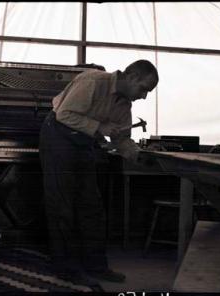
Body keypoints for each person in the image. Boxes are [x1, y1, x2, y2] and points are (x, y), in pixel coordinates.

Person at [39, 60, 159, 283]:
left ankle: (96, 267)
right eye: (144, 88)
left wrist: (138, 154)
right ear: (132, 77)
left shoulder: (125, 105)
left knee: (92, 207)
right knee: (62, 205)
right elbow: (64, 114)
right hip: (58, 136)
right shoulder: (93, 80)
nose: (144, 96)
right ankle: (66, 270)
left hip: (83, 141)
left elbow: (121, 139)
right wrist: (100, 127)